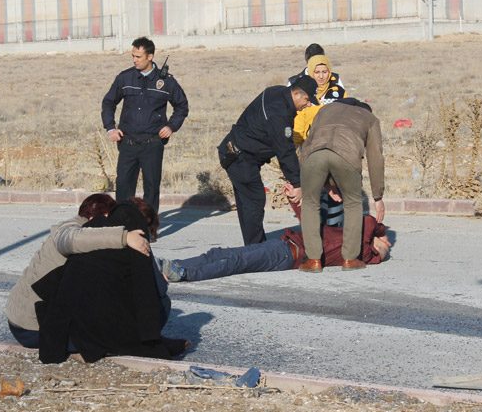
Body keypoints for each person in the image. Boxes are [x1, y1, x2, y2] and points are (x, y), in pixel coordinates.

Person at [36, 199, 187, 364]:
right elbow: (147, 298)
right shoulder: (131, 240)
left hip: (54, 329)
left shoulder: (91, 233)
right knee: (162, 302)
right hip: (59, 334)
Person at [5, 193, 151, 349]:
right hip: (32, 328)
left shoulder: (88, 231)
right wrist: (124, 237)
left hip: (27, 322)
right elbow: (70, 239)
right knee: (114, 338)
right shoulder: (70, 228)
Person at [218, 75, 317, 245]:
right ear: (297, 94)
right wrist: (297, 184)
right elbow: (285, 151)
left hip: (234, 151)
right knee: (254, 200)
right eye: (307, 100)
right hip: (240, 158)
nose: (307, 105)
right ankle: (256, 248)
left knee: (247, 202)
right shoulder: (279, 114)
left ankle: (253, 245)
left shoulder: (276, 91)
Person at [159, 214, 390, 282]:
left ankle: (186, 273)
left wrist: (380, 234)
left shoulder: (361, 250)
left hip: (286, 255)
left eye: (386, 242)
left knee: (236, 263)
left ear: (375, 248)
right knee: (221, 253)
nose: (388, 239)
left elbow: (369, 221)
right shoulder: (355, 241)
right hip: (284, 245)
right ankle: (176, 265)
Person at [101, 36, 189, 214]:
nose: (134, 60)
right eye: (133, 56)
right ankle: (123, 226)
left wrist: (171, 126)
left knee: (151, 188)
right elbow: (108, 103)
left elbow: (182, 106)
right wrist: (110, 127)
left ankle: (148, 229)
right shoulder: (125, 78)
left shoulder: (166, 82)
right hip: (128, 143)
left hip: (153, 144)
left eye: (138, 56)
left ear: (150, 56)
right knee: (124, 187)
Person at [299, 98, 385, 272]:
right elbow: (375, 157)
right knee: (353, 202)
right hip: (347, 156)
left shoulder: (326, 109)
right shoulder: (369, 118)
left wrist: (325, 184)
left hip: (314, 155)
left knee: (309, 203)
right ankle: (350, 259)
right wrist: (378, 196)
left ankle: (314, 260)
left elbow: (307, 143)